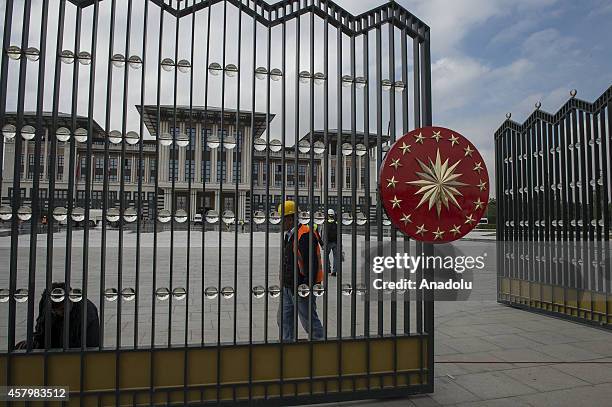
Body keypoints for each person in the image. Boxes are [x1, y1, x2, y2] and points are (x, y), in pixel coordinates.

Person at [277, 200, 324, 341]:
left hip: (301, 287)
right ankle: (287, 345)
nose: (281, 223)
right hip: (288, 286)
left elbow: (312, 264)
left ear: (290, 219)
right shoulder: (290, 234)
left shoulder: (304, 234)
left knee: (309, 321)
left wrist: (306, 286)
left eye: (282, 219)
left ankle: (320, 344)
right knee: (283, 320)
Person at [15, 282, 100, 349]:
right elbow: (41, 328)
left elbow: (89, 344)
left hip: (74, 351)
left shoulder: (86, 312)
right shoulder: (46, 302)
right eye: (55, 311)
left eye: (62, 309)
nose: (59, 313)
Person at [324, 208, 341, 276]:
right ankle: (334, 271)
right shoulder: (336, 222)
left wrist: (323, 243)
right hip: (336, 242)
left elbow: (324, 233)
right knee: (336, 257)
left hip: (328, 242)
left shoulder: (325, 222)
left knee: (326, 255)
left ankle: (328, 268)